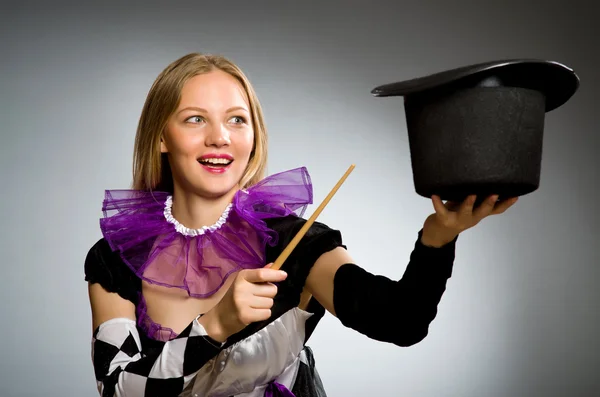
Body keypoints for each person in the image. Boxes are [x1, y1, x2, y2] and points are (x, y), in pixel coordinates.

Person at [84, 52, 518, 397]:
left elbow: (400, 321)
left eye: (237, 119)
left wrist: (438, 238)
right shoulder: (116, 258)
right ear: (162, 137)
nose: (220, 137)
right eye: (196, 118)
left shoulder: (294, 241)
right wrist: (214, 326)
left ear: (253, 137)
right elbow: (118, 388)